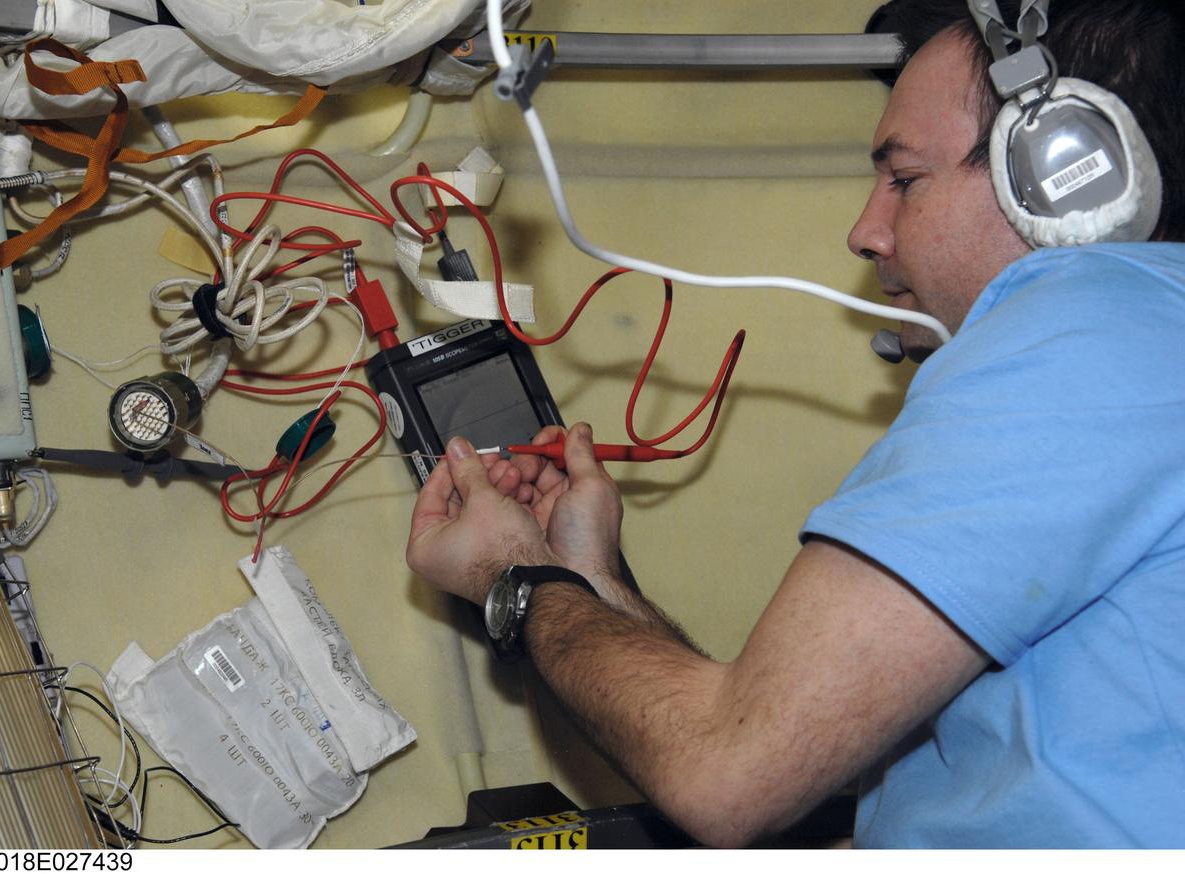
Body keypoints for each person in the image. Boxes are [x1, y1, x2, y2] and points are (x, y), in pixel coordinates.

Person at [405, 0, 1185, 848]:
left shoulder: (1080, 331)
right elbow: (785, 735)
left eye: (904, 179)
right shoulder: (1143, 348)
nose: (865, 231)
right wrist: (584, 578)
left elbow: (724, 772)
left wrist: (513, 577)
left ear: (1072, 173)